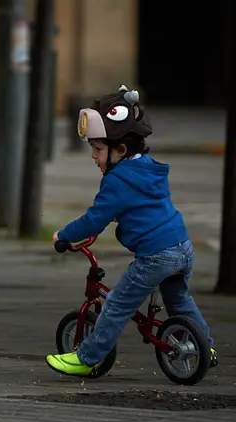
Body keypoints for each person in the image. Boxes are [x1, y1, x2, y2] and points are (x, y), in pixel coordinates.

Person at [45, 85, 217, 377]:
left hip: (155, 256)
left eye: (98, 149)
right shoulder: (148, 168)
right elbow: (141, 205)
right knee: (179, 301)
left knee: (115, 306)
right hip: (182, 247)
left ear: (120, 150)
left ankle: (86, 358)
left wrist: (63, 235)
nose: (94, 157)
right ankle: (205, 348)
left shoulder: (117, 181)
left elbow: (92, 222)